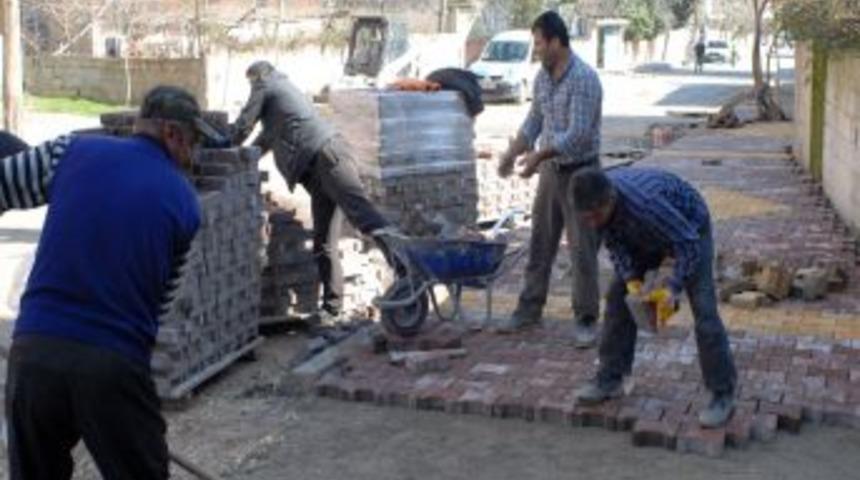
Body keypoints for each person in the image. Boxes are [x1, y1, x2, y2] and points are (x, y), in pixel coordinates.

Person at [4, 85, 221, 478]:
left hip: (34, 354)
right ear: (172, 133)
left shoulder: (72, 151)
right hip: (113, 364)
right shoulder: (185, 203)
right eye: (194, 140)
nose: (195, 153)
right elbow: (160, 304)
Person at [570, 167, 737, 428]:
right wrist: (632, 282)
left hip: (690, 229)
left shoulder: (647, 203)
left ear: (610, 199)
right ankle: (610, 378)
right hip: (643, 232)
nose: (591, 223)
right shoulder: (598, 209)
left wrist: (672, 287)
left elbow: (688, 244)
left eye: (595, 216)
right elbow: (616, 245)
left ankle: (722, 393)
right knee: (617, 298)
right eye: (586, 218)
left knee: (704, 309)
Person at [230, 61, 392, 323]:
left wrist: (223, 144)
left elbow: (243, 126)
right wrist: (236, 160)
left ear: (258, 77)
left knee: (363, 216)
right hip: (319, 172)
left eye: (251, 82)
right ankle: (332, 309)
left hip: (328, 158)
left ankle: (407, 267)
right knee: (323, 243)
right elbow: (261, 143)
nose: (252, 87)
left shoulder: (268, 85)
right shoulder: (280, 107)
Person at [496, 11, 603, 348]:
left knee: (582, 250)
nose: (537, 50)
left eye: (540, 43)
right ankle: (529, 309)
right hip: (551, 173)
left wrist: (539, 156)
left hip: (582, 173)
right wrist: (512, 154)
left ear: (557, 42)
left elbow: (579, 135)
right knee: (540, 242)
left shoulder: (583, 78)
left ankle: (586, 318)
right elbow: (533, 121)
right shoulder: (542, 78)